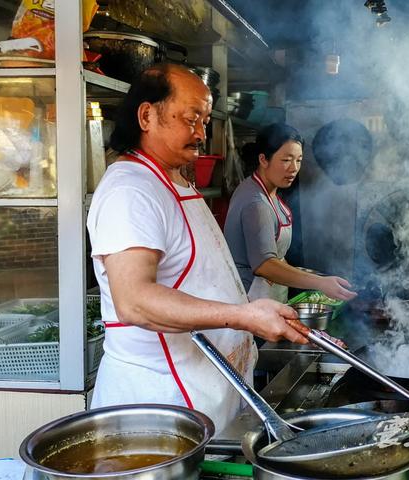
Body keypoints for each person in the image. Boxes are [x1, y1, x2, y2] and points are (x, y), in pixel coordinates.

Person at [86, 64, 307, 433]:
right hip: (160, 408)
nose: (201, 133)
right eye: (192, 119)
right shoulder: (130, 190)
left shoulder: (173, 180)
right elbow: (134, 300)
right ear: (147, 116)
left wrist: (249, 313)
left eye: (205, 121)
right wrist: (243, 316)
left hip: (204, 391)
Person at [224, 123, 357, 303]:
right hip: (250, 302)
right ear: (263, 160)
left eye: (299, 160)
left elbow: (276, 256)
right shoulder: (255, 203)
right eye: (286, 160)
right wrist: (320, 283)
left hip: (269, 300)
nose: (294, 168)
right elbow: (264, 264)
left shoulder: (269, 193)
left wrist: (304, 275)